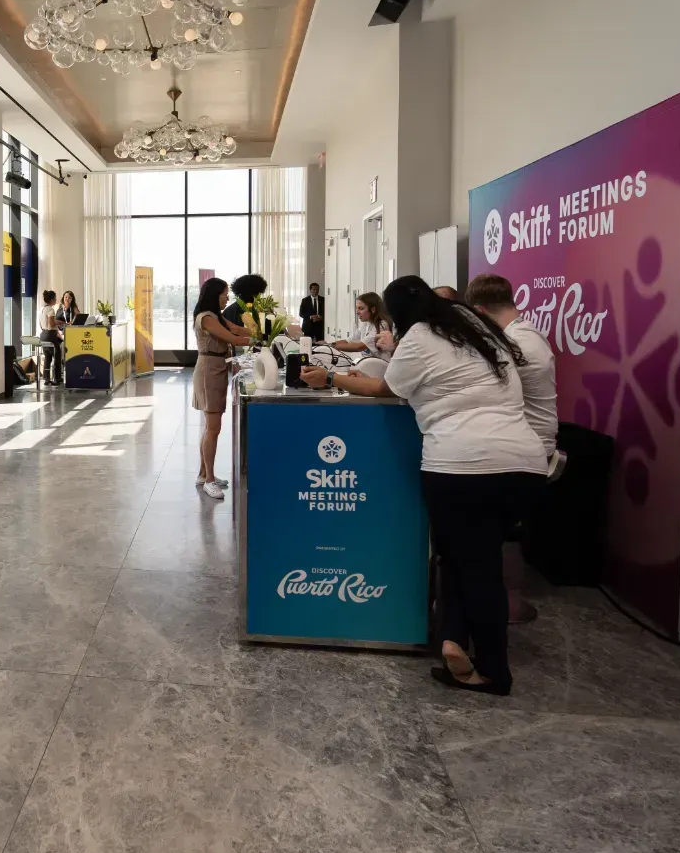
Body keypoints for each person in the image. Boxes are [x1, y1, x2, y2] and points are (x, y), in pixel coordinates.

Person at [300, 276, 547, 695]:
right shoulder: (476, 325)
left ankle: (493, 670)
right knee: (469, 559)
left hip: (461, 464)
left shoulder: (418, 336)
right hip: (522, 462)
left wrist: (330, 379)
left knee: (472, 566)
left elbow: (385, 388)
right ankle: (454, 642)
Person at [468, 273, 558, 625]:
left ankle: (502, 600)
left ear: (479, 310)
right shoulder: (526, 333)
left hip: (527, 451)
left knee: (493, 525)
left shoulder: (515, 345)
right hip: (531, 441)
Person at [191, 276, 253, 499]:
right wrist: (260, 341)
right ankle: (209, 480)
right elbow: (233, 339)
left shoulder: (216, 316)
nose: (227, 297)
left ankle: (203, 474)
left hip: (216, 367)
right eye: (224, 293)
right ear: (214, 295)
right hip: (209, 370)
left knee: (210, 427)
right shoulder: (206, 318)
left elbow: (237, 329)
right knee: (213, 427)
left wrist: (264, 332)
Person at [37, 289, 65, 383]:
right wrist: (60, 322)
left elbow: (41, 324)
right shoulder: (51, 310)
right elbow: (52, 324)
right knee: (57, 355)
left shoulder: (42, 309)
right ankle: (57, 378)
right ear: (52, 300)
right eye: (55, 298)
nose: (56, 300)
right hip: (50, 335)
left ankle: (46, 378)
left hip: (43, 335)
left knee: (47, 358)